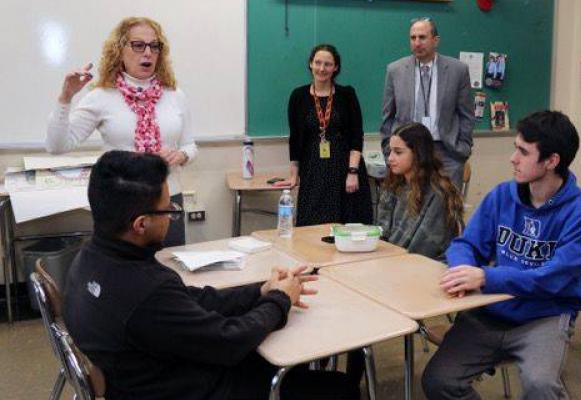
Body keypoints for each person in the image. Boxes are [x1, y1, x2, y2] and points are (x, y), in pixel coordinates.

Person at [63, 150, 359, 400]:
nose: (173, 214)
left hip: (143, 377)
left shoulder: (89, 259)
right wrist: (281, 300)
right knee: (338, 388)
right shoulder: (146, 290)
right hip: (193, 388)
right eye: (169, 211)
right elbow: (229, 341)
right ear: (141, 224)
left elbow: (193, 300)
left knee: (290, 357)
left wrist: (261, 291)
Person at [422, 111, 581, 400]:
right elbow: (465, 244)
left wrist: (485, 276)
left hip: (543, 315)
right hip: (491, 311)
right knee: (438, 381)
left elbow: (551, 279)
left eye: (523, 151)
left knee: (540, 386)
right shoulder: (502, 195)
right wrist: (462, 271)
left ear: (552, 161)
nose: (513, 158)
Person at [46, 17, 197, 247]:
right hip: (120, 206)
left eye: (154, 46)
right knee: (123, 278)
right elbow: (57, 146)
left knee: (170, 273)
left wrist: (182, 155)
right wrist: (66, 97)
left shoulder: (175, 95)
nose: (147, 52)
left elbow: (190, 145)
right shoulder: (102, 96)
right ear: (120, 50)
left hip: (166, 202)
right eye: (138, 45)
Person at [279, 44, 372, 226]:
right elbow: (295, 139)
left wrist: (353, 172)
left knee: (345, 224)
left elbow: (356, 136)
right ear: (310, 64)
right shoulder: (298, 96)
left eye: (328, 64)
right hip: (313, 170)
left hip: (344, 170)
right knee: (312, 225)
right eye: (318, 63)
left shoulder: (347, 94)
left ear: (336, 67)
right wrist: (294, 175)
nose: (322, 69)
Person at [381, 17, 475, 189]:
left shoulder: (458, 70)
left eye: (422, 37)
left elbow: (467, 114)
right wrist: (390, 151)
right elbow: (387, 116)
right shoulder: (395, 70)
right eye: (413, 38)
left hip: (446, 152)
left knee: (446, 210)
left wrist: (463, 148)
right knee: (410, 208)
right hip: (408, 150)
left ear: (435, 40)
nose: (417, 42)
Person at [377, 123, 464, 260]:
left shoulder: (438, 194)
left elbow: (423, 249)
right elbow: (382, 232)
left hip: (430, 267)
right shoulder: (394, 185)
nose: (390, 159)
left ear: (417, 154)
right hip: (395, 260)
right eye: (390, 151)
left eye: (398, 152)